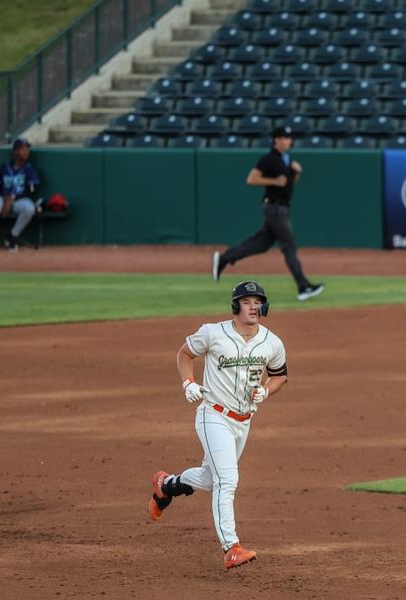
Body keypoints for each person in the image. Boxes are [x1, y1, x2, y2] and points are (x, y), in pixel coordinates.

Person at [148, 280, 289, 571]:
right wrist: (188, 382)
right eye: (247, 301)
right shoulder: (213, 333)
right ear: (236, 306)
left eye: (257, 301)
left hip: (243, 423)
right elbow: (184, 353)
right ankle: (231, 547)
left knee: (213, 479)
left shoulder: (271, 342)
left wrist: (266, 390)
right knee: (228, 481)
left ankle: (167, 486)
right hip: (213, 416)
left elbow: (279, 375)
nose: (253, 306)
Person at [212, 126, 325, 302]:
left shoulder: (286, 159)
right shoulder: (269, 159)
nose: (288, 141)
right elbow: (251, 179)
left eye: (289, 138)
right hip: (275, 208)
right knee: (289, 246)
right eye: (284, 138)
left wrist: (296, 173)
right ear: (276, 140)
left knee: (261, 244)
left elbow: (287, 185)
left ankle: (225, 258)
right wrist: (274, 180)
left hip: (281, 207)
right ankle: (303, 287)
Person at [0, 138, 40, 253]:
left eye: (27, 149)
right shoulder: (3, 168)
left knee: (29, 208)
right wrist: (5, 199)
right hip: (3, 199)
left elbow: (31, 191)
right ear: (15, 151)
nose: (26, 152)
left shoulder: (30, 169)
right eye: (22, 149)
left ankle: (12, 236)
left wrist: (13, 199)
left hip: (20, 200)